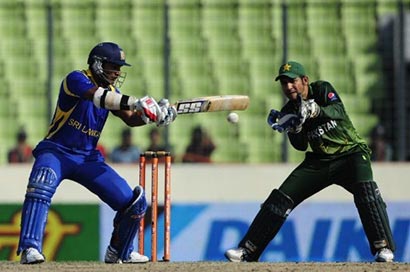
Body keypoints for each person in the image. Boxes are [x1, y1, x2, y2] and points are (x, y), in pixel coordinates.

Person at [17, 42, 177, 264]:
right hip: (57, 151)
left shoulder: (114, 92)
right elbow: (97, 96)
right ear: (98, 64)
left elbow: (131, 119)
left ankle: (119, 251)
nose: (117, 72)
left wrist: (153, 116)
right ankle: (30, 248)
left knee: (134, 203)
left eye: (120, 68)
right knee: (41, 184)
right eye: (113, 66)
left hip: (87, 158)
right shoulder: (76, 79)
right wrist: (137, 102)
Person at [225, 61, 395, 262]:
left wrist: (316, 110)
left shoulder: (322, 89)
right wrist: (294, 128)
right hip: (320, 162)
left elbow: (338, 111)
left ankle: (384, 249)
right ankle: (247, 250)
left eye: (292, 81)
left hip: (351, 154)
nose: (288, 87)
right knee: (281, 198)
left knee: (366, 193)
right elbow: (300, 146)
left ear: (304, 80)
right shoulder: (289, 109)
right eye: (284, 83)